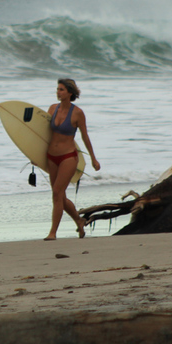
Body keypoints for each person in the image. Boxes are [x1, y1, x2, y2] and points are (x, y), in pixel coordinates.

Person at [44, 78, 100, 240]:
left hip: (68, 157)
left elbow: (85, 137)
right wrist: (35, 154)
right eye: (57, 89)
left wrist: (93, 159)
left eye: (61, 89)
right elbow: (43, 133)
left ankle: (53, 232)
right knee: (59, 196)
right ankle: (79, 221)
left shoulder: (77, 113)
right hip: (51, 157)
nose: (58, 92)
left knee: (57, 192)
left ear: (70, 93)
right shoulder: (52, 108)